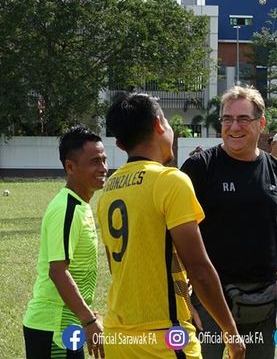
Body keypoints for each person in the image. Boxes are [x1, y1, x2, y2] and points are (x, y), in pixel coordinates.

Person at [98, 93, 245, 359]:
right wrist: (230, 332)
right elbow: (199, 269)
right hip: (163, 340)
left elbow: (130, 267)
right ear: (159, 125)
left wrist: (184, 301)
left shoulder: (109, 187)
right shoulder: (170, 180)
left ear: (119, 144)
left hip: (116, 336)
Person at [180, 86, 277, 359]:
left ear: (261, 124)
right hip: (208, 301)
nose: (233, 127)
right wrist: (181, 297)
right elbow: (172, 239)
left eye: (242, 119)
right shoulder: (199, 168)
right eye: (227, 119)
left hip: (263, 301)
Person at [23, 125, 107, 359]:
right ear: (70, 167)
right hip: (52, 328)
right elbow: (58, 272)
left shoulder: (82, 205)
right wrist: (88, 320)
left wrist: (86, 314)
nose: (103, 168)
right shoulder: (66, 208)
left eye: (104, 159)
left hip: (69, 323)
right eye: (94, 162)